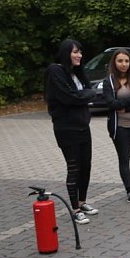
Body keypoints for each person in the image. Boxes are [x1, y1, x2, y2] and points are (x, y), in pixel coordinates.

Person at [44, 39, 97, 225]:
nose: (79, 55)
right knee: (74, 168)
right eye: (75, 52)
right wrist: (83, 97)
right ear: (66, 52)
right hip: (67, 129)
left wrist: (82, 97)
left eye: (81, 52)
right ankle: (74, 209)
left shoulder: (78, 73)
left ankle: (82, 202)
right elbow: (68, 98)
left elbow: (89, 92)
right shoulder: (56, 71)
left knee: (86, 166)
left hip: (83, 126)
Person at [102, 49, 130, 203]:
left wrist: (125, 106)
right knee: (124, 159)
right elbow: (112, 104)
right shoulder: (109, 81)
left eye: (126, 61)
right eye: (120, 61)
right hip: (121, 127)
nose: (123, 64)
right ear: (114, 63)